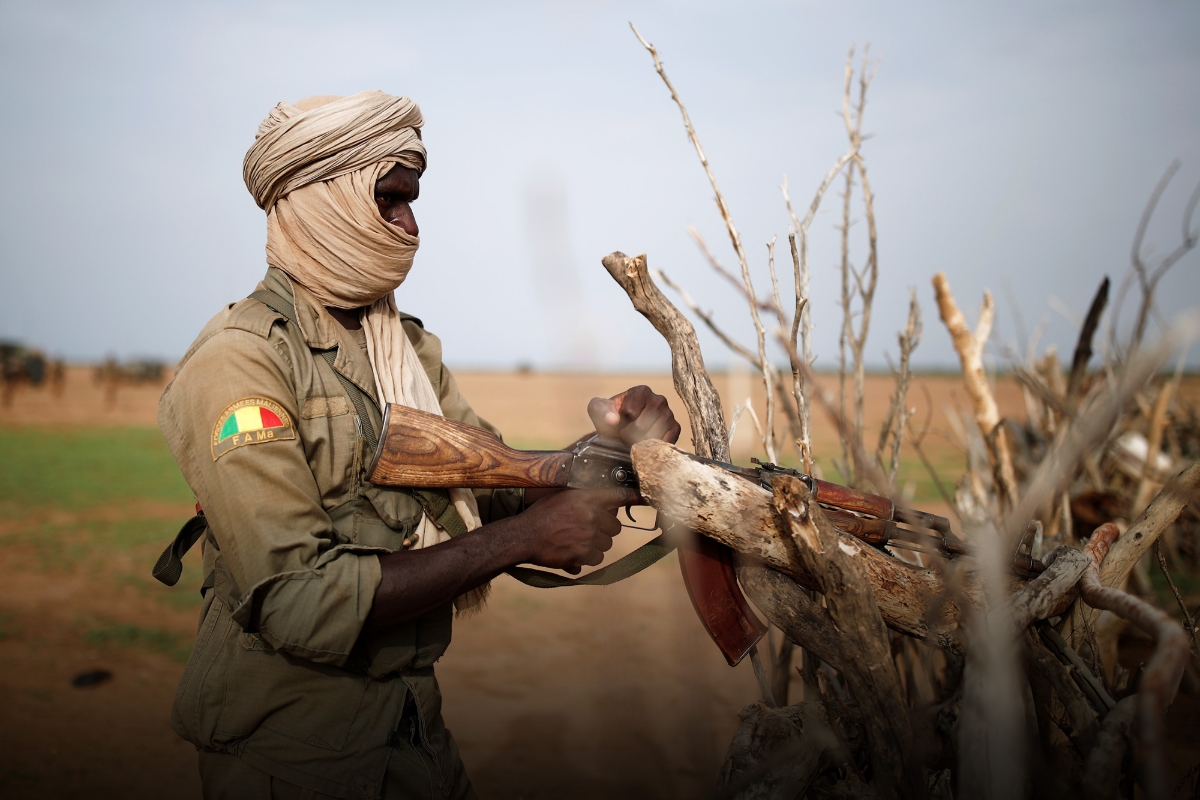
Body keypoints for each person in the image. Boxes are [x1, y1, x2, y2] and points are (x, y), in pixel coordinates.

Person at [157, 91, 680, 799]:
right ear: (327, 200)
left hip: (413, 732)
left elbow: (488, 490)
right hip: (293, 758)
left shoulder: (402, 345)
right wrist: (523, 539)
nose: (411, 226)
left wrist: (599, 450)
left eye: (414, 200)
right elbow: (297, 600)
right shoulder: (241, 360)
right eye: (391, 199)